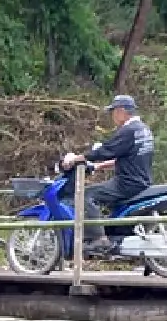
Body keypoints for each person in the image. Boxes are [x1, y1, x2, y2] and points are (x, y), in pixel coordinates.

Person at [60, 94, 154, 258]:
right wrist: (100, 166)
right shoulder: (143, 129)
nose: (112, 116)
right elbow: (127, 155)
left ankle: (99, 238)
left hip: (127, 183)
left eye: (113, 112)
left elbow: (107, 150)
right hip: (141, 180)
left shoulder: (128, 131)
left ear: (121, 111)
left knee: (85, 196)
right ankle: (114, 238)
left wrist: (79, 158)